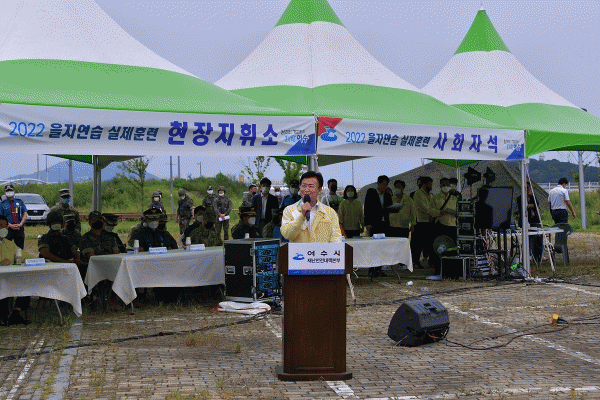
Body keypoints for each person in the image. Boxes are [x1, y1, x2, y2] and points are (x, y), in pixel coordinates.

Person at [281, 171, 343, 243]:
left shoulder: (330, 212)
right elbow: (287, 235)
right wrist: (301, 216)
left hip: (322, 250)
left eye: (311, 186)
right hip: (299, 251)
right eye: (304, 186)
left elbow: (336, 239)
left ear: (319, 190)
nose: (307, 190)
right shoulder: (289, 210)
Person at [0, 215, 33, 326]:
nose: (1, 229)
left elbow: (23, 255)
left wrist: (41, 259)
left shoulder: (9, 243)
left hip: (9, 277)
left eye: (4, 226)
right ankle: (2, 316)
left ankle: (16, 313)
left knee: (26, 281)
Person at [364, 175, 393, 276]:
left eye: (386, 184)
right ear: (378, 183)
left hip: (384, 224)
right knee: (373, 246)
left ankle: (379, 269)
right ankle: (372, 269)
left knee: (382, 246)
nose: (385, 186)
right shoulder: (371, 192)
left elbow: (390, 208)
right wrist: (367, 222)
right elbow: (367, 208)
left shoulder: (387, 195)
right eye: (384, 184)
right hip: (374, 224)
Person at [412, 176, 443, 269]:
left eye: (431, 184)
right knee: (418, 244)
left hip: (430, 222)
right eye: (429, 184)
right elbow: (424, 208)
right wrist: (437, 212)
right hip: (421, 222)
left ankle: (432, 261)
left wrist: (435, 213)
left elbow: (433, 207)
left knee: (430, 243)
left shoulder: (431, 195)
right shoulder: (418, 194)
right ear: (424, 184)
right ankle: (415, 261)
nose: (431, 186)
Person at [79, 211, 120, 280]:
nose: (98, 221)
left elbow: (116, 254)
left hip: (111, 268)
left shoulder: (110, 237)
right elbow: (92, 258)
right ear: (90, 222)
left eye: (100, 219)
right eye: (95, 219)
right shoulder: (86, 238)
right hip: (95, 271)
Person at [430, 178, 458, 274]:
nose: (446, 186)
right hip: (440, 226)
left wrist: (455, 213)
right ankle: (438, 270)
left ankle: (451, 270)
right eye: (443, 185)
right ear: (440, 186)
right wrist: (439, 212)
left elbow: (459, 212)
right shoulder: (435, 197)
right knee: (439, 247)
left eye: (447, 185)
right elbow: (430, 210)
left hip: (452, 225)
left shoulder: (454, 199)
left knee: (452, 247)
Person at [517, 182, 543, 262]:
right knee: (527, 238)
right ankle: (527, 254)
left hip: (534, 220)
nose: (527, 189)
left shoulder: (533, 197)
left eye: (528, 188)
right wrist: (528, 205)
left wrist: (532, 205)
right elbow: (521, 209)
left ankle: (537, 254)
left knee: (537, 237)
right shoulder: (520, 198)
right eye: (526, 188)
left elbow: (536, 205)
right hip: (525, 221)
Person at [0, 184, 28, 249]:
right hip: (6, 228)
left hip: (19, 228)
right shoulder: (2, 204)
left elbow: (25, 213)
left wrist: (20, 224)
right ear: (5, 192)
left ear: (14, 191)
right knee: (5, 247)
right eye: (7, 191)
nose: (9, 192)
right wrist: (10, 225)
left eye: (11, 190)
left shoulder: (19, 202)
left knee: (19, 248)